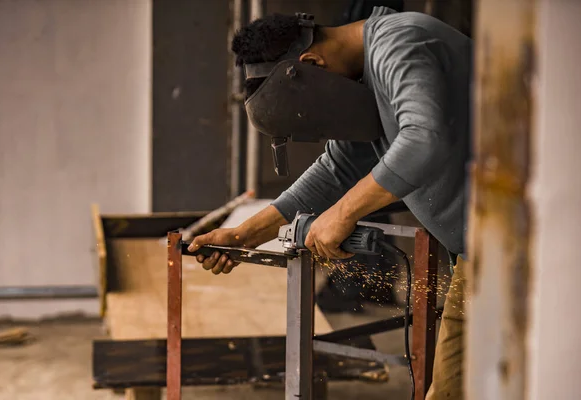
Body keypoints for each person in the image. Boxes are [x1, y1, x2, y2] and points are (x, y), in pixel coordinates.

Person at [189, 6, 471, 400]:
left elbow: (424, 139)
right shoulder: (368, 79)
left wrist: (343, 213)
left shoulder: (400, 43)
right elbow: (339, 168)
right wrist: (246, 234)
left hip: (530, 247)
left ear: (309, 63)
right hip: (478, 260)